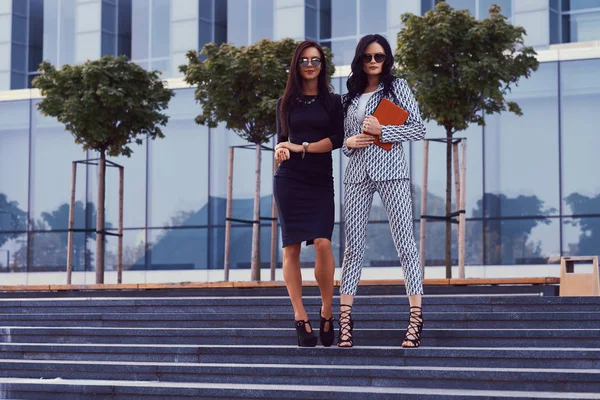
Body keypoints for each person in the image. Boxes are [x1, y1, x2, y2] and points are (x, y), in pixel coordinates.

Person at [338, 34, 426, 348]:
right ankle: (345, 320)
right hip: (356, 176)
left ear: (386, 59)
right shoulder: (350, 94)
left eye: (379, 56)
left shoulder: (397, 87)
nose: (374, 62)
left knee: (406, 245)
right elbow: (346, 137)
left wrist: (383, 129)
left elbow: (418, 127)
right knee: (353, 249)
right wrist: (348, 143)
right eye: (368, 57)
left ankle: (415, 319)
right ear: (360, 60)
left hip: (392, 174)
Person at [273, 41, 343, 347]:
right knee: (291, 249)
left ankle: (327, 310)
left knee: (323, 243)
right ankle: (300, 316)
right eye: (304, 60)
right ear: (296, 65)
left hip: (319, 180)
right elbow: (282, 141)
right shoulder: (285, 103)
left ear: (322, 64)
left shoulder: (333, 101)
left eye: (315, 60)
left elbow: (336, 140)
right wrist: (280, 149)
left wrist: (300, 148)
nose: (310, 65)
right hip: (289, 180)